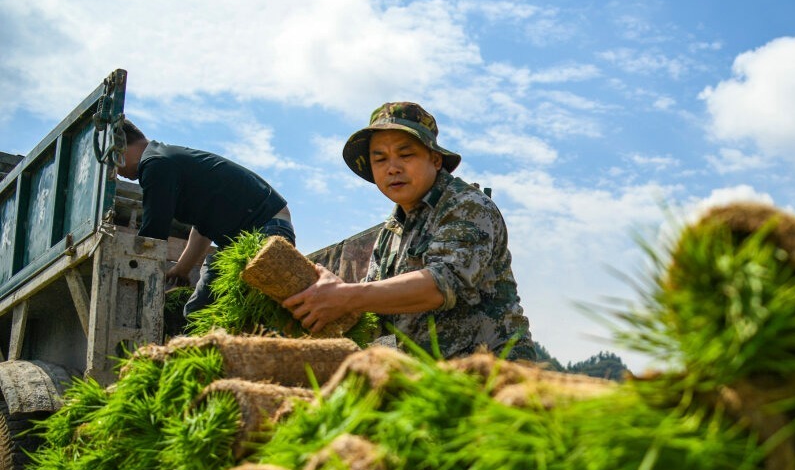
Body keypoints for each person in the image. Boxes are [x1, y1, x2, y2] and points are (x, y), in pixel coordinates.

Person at [283, 102, 535, 362]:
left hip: (494, 372)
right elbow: (378, 315)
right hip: (427, 377)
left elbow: (442, 285)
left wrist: (345, 296)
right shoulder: (390, 232)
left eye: (406, 155)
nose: (392, 168)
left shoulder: (467, 206)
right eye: (380, 159)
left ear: (435, 160)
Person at [117, 118, 296, 318]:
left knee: (252, 313)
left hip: (267, 228)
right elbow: (203, 226)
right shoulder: (163, 159)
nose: (116, 171)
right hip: (247, 235)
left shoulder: (155, 164)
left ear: (119, 145)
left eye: (113, 160)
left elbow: (153, 234)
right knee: (198, 313)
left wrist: (129, 265)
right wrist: (181, 269)